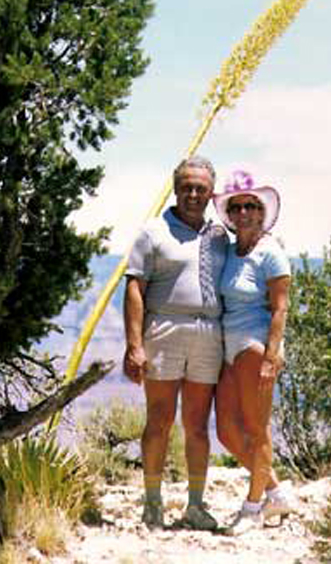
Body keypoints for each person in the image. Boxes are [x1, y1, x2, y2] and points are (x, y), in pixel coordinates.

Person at [123, 156, 228, 531]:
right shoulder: (153, 232)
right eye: (187, 187)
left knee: (198, 426)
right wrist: (134, 345)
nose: (194, 194)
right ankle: (152, 503)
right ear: (175, 189)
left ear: (211, 192)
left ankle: (195, 505)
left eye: (201, 188)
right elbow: (134, 287)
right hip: (163, 331)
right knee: (159, 420)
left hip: (207, 334)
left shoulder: (219, 237)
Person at [213, 170, 293, 535]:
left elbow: (280, 309)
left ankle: (252, 507)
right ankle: (275, 491)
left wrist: (271, 356)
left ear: (261, 213)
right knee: (228, 431)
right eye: (237, 206)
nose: (244, 212)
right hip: (228, 346)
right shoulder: (230, 252)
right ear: (229, 214)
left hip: (254, 346)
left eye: (250, 206)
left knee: (256, 429)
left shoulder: (271, 253)